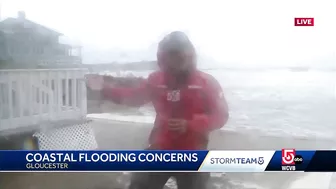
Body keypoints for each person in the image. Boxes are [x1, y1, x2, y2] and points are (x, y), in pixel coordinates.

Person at [86, 31, 229, 189]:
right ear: (162, 57)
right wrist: (104, 89)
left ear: (189, 56)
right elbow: (134, 97)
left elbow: (221, 116)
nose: (173, 61)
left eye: (178, 55)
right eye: (168, 56)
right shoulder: (156, 79)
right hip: (159, 148)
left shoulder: (206, 83)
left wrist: (191, 124)